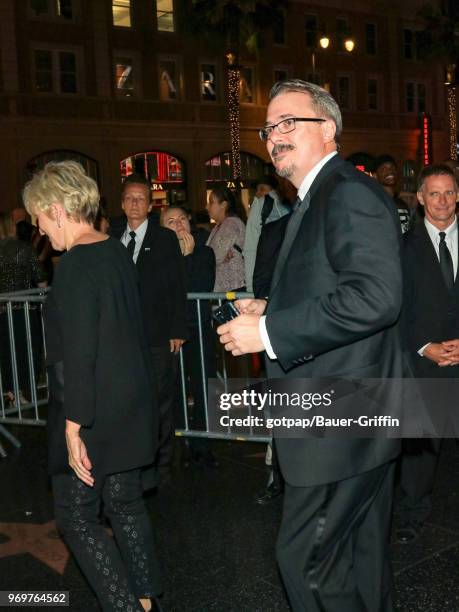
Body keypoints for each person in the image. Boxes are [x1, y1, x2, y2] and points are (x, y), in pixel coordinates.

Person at [217, 79, 403, 612]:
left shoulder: (346, 190)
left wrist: (272, 333)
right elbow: (337, 287)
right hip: (352, 418)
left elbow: (377, 297)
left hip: (340, 421)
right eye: (268, 128)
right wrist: (272, 308)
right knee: (360, 563)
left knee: (307, 562)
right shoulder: (317, 195)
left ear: (328, 128)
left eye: (287, 123)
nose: (274, 137)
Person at [23, 161, 161, 612]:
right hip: (130, 404)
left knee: (76, 517)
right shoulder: (114, 249)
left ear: (56, 209)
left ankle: (123, 606)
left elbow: (80, 351)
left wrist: (72, 425)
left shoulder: (77, 264)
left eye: (39, 219)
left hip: (92, 408)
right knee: (124, 503)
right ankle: (145, 599)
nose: (40, 231)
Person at [110, 175, 187, 485]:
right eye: (129, 198)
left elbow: (176, 287)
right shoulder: (112, 237)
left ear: (151, 205)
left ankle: (161, 467)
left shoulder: (165, 238)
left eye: (141, 198)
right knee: (127, 401)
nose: (135, 204)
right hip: (121, 339)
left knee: (160, 403)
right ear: (122, 203)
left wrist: (177, 329)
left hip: (157, 336)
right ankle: (131, 462)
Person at [397, 164, 459, 544]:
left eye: (449, 192)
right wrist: (424, 346)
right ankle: (412, 514)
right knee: (421, 446)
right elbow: (398, 307)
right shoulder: (403, 247)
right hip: (425, 361)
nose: (442, 201)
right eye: (433, 193)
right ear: (420, 198)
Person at [160, 205, 218, 465]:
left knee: (203, 387)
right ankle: (181, 442)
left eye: (182, 218)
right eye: (171, 221)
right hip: (170, 330)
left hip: (198, 327)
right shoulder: (157, 258)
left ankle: (201, 444)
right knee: (176, 387)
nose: (178, 224)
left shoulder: (204, 252)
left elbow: (200, 285)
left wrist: (189, 256)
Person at [0, 212, 47, 406]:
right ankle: (20, 393)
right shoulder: (25, 248)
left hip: (2, 311)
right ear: (12, 227)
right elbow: (41, 279)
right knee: (26, 351)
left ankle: (12, 393)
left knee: (6, 353)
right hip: (24, 309)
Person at [243, 175, 290, 293]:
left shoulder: (259, 205)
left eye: (262, 189)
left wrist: (251, 288)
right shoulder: (291, 205)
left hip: (266, 276)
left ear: (274, 190)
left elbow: (250, 246)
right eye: (257, 190)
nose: (258, 193)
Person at [206, 187, 246, 292]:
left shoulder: (230, 224)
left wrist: (213, 258)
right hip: (226, 289)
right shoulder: (219, 226)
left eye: (211, 203)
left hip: (232, 288)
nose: (207, 207)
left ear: (223, 205)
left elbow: (214, 255)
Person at [373, 154, 412, 233]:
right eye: (384, 169)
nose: (390, 171)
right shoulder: (375, 203)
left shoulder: (403, 202)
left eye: (392, 167)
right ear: (375, 176)